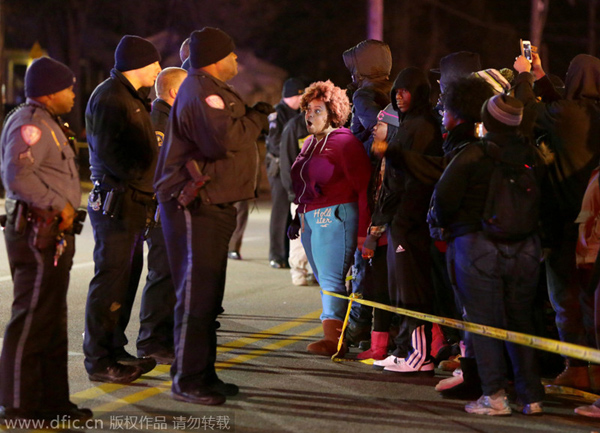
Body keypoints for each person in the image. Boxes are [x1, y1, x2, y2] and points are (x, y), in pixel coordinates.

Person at [154, 27, 271, 405]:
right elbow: (223, 140)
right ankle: (187, 379)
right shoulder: (201, 89)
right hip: (196, 204)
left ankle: (202, 372)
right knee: (196, 295)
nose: (237, 60)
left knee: (207, 296)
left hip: (212, 202)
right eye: (232, 54)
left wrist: (251, 117)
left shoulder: (208, 88)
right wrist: (257, 118)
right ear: (216, 58)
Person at [430, 94, 545, 416]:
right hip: (526, 248)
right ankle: (531, 396)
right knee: (520, 321)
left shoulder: (475, 154)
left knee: (484, 324)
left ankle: (494, 396)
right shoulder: (534, 156)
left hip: (477, 246)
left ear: (487, 120)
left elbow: (443, 198)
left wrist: (448, 226)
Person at [0, 57, 91, 422]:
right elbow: (16, 175)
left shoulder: (49, 122)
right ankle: (18, 403)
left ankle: (52, 401)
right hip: (37, 232)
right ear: (51, 91)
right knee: (32, 319)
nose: (73, 93)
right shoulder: (30, 123)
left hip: (52, 234)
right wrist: (58, 205)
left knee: (52, 321)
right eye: (68, 87)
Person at [513, 52, 600, 391]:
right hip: (594, 225)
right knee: (592, 300)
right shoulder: (586, 116)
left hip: (565, 222)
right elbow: (560, 108)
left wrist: (525, 78)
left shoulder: (565, 115)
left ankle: (577, 368)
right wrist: (543, 77)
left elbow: (526, 114)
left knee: (565, 297)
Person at [84, 35, 162, 383]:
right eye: (155, 63)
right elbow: (112, 154)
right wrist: (143, 178)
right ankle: (100, 359)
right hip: (117, 201)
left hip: (132, 201)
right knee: (111, 279)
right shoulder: (110, 97)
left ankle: (116, 348)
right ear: (138, 65)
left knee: (127, 278)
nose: (159, 69)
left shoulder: (131, 97)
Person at [289, 80, 371, 357]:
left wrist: (363, 232)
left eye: (317, 110)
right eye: (307, 110)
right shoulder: (311, 143)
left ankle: (333, 339)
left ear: (333, 112)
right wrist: (298, 216)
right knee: (324, 278)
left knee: (332, 278)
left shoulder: (345, 142)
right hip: (311, 217)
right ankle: (336, 333)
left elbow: (363, 187)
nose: (310, 116)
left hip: (336, 215)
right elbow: (301, 182)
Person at [371, 67, 443, 375]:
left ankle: (419, 354)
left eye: (406, 90)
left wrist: (403, 217)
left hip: (411, 220)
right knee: (398, 286)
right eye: (396, 90)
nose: (399, 95)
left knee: (411, 287)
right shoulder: (407, 124)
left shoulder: (423, 125)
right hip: (399, 219)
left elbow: (418, 177)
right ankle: (403, 348)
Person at [342, 39, 393, 346]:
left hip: (369, 187)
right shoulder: (394, 90)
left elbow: (377, 123)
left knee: (365, 260)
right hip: (391, 186)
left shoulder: (365, 94)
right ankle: (384, 329)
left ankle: (360, 326)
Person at [136, 67, 187, 365]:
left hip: (172, 210)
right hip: (160, 213)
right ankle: (151, 341)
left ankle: (165, 338)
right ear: (174, 93)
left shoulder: (171, 120)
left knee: (171, 277)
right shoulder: (159, 123)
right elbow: (159, 172)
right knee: (162, 275)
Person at [265, 77, 305, 269]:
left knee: (292, 213)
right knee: (280, 212)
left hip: (293, 167)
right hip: (279, 166)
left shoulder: (298, 114)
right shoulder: (277, 113)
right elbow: (273, 142)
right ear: (294, 95)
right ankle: (276, 254)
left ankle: (288, 253)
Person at [280, 112, 313, 286]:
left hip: (323, 193)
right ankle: (298, 271)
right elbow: (286, 163)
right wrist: (293, 192)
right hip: (300, 193)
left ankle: (316, 271)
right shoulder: (294, 127)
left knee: (320, 235)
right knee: (300, 235)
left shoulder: (330, 124)